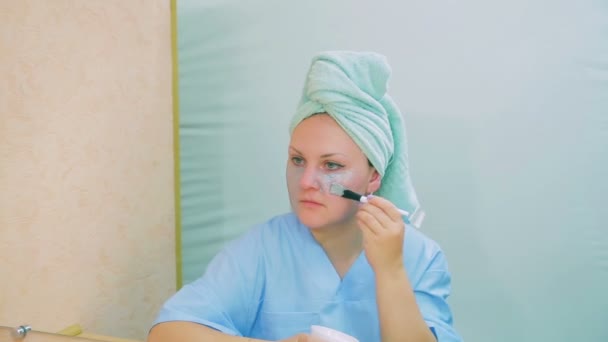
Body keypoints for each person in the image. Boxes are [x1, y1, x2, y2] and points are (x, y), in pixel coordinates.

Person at [148, 51, 461, 342]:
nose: (307, 181)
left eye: (332, 165)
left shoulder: (421, 258)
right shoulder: (262, 250)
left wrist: (391, 272)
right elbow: (167, 333)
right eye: (298, 160)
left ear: (373, 177)